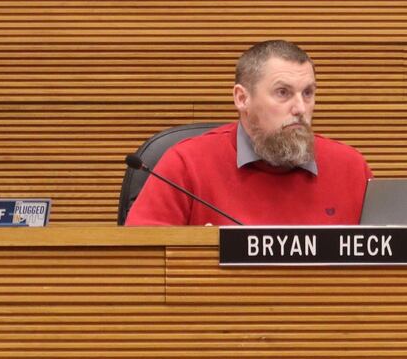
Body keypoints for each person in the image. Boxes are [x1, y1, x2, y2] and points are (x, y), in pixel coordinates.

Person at [125, 40, 372, 226]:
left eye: (307, 93)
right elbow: (142, 267)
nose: (300, 108)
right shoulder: (186, 165)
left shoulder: (351, 169)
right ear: (242, 98)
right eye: (283, 93)